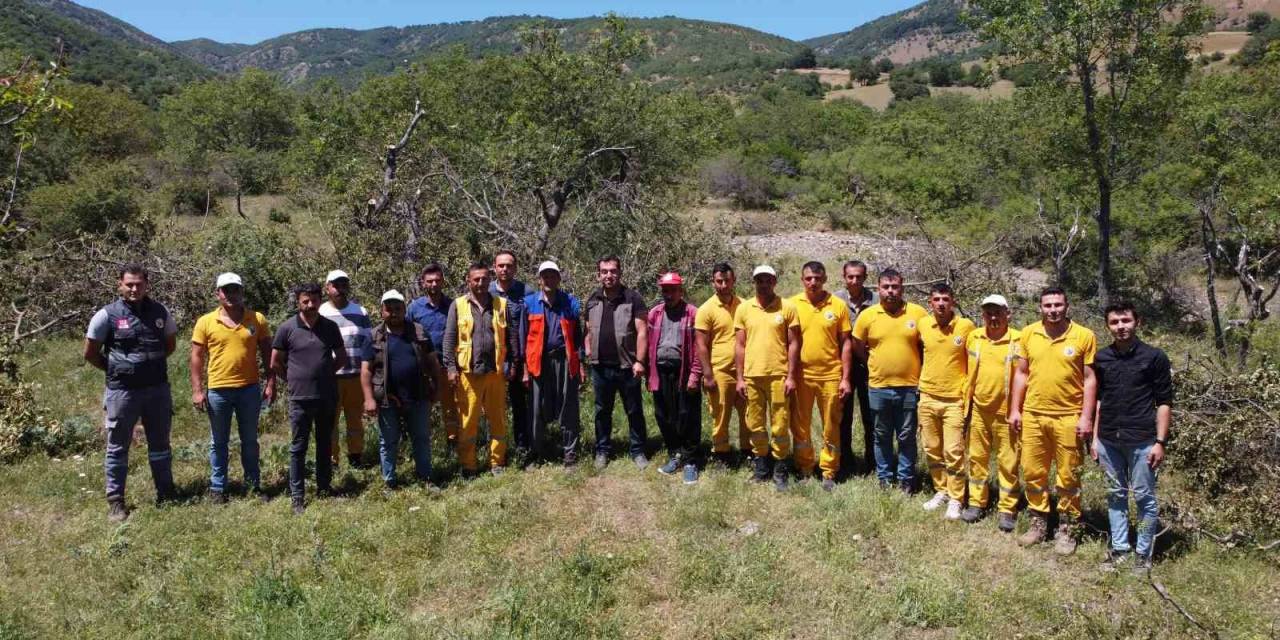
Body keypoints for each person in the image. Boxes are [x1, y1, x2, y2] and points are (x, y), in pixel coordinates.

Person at [84, 264, 178, 522]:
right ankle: (116, 501)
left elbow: (170, 345)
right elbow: (90, 353)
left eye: (139, 284)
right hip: (122, 392)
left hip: (157, 389)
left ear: (147, 284)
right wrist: (116, 369)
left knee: (160, 444)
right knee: (117, 447)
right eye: (129, 284)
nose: (134, 288)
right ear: (120, 285)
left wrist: (147, 367)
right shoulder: (106, 315)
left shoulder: (160, 311)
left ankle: (166, 493)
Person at [1008, 286, 1098, 555]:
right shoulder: (1029, 333)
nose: (1053, 310)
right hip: (1034, 414)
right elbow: (1021, 374)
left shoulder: (1084, 336)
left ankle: (1067, 528)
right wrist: (1015, 409)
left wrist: (1086, 417)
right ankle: (1039, 523)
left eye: (1058, 304)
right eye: (1048, 305)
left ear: (1067, 306)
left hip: (1069, 417)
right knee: (1034, 471)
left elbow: (1090, 379)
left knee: (1068, 474)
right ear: (1040, 307)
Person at [1092, 301, 1173, 573]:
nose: (1120, 327)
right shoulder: (1102, 358)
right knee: (1116, 495)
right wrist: (1094, 439)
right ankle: (1120, 549)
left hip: (1142, 440)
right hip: (1108, 440)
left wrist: (1160, 442)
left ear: (1137, 322)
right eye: (1114, 322)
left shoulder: (1154, 357)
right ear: (1108, 326)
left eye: (1125, 321)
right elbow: (1099, 401)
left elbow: (1164, 402)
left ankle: (1143, 554)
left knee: (1144, 498)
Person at [190, 272, 275, 503]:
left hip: (249, 389)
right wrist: (198, 390)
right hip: (218, 391)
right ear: (218, 293)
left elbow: (268, 352)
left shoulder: (256, 319)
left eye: (235, 289)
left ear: (242, 292)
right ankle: (218, 488)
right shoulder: (206, 322)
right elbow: (196, 357)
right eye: (226, 290)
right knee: (219, 442)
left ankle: (253, 485)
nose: (231, 294)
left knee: (250, 440)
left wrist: (271, 382)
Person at [272, 283, 349, 514]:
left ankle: (324, 488)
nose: (310, 304)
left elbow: (341, 358)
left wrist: (324, 375)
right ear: (298, 302)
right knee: (298, 447)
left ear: (319, 300)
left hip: (326, 396)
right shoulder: (287, 328)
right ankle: (297, 496)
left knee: (325, 444)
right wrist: (293, 378)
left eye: (314, 300)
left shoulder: (330, 327)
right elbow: (275, 361)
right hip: (299, 399)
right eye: (305, 300)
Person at [851, 268, 928, 492]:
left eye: (895, 287)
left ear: (902, 287)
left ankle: (906, 479)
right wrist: (871, 363)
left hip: (909, 386)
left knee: (906, 436)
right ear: (878, 288)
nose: (891, 291)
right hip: (878, 386)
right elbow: (857, 344)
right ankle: (884, 478)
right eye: (886, 287)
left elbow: (928, 344)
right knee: (881, 435)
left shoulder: (918, 313)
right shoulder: (868, 315)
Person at [443, 262, 520, 476]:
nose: (480, 283)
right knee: (468, 422)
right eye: (476, 279)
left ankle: (497, 462)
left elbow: (512, 337)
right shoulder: (457, 305)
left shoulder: (501, 304)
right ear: (468, 281)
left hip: (495, 373)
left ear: (490, 279)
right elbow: (449, 339)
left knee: (498, 419)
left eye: (485, 279)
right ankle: (468, 465)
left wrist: (513, 364)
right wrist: (450, 367)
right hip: (468, 373)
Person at [361, 290, 444, 489]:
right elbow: (365, 371)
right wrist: (369, 399)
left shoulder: (419, 332)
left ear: (404, 309)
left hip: (418, 395)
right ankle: (389, 481)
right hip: (387, 398)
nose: (394, 312)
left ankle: (426, 478)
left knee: (421, 438)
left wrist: (437, 387)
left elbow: (433, 363)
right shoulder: (373, 336)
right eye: (389, 309)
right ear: (381, 311)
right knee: (388, 441)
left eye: (398, 308)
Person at [734, 265, 801, 490]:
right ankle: (761, 466)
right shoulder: (744, 309)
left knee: (780, 424)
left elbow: (794, 344)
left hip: (779, 375)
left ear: (775, 281)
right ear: (754, 282)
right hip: (752, 376)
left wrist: (791, 376)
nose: (763, 284)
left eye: (768, 280)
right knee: (755, 423)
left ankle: (780, 468)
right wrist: (741, 378)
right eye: (759, 280)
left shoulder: (788, 307)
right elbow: (740, 345)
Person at [960, 294, 1023, 532]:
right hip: (979, 409)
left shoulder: (1019, 339)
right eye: (988, 312)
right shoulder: (974, 337)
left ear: (1008, 314)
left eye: (998, 312)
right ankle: (977, 502)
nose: (993, 317)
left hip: (1007, 413)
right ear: (983, 314)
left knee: (1008, 462)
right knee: (977, 458)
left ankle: (1008, 509)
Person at [789, 261, 853, 492]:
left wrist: (845, 378)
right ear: (802, 280)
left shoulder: (837, 305)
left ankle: (828, 470)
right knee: (800, 425)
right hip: (802, 376)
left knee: (831, 425)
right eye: (808, 278)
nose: (813, 282)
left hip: (830, 375)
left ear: (825, 279)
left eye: (817, 278)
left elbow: (846, 343)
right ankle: (805, 467)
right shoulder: (792, 304)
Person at [583, 255, 650, 469]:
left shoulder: (633, 298)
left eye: (613, 271)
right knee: (602, 410)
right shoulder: (593, 299)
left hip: (628, 366)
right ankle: (602, 450)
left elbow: (642, 332)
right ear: (598, 274)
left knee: (634, 410)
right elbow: (587, 329)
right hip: (600, 366)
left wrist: (640, 361)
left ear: (620, 273)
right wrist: (587, 350)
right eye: (604, 271)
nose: (609, 275)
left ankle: (638, 450)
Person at [917, 283, 976, 519]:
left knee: (953, 451)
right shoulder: (923, 324)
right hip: (927, 396)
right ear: (930, 303)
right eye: (936, 299)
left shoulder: (966, 326)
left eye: (945, 299)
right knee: (932, 448)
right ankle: (941, 490)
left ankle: (956, 498)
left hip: (954, 400)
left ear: (953, 301)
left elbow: (974, 361)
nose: (941, 303)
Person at [522, 261, 586, 466]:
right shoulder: (529, 303)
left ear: (559, 279)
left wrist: (581, 364)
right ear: (540, 280)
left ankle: (570, 454)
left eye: (553, 276)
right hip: (537, 362)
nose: (549, 280)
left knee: (568, 408)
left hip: (565, 361)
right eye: (545, 276)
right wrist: (524, 369)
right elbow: (523, 338)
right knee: (536, 409)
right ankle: (535, 454)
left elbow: (578, 337)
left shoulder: (571, 303)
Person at [647, 272, 703, 484]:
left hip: (684, 371)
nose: (668, 294)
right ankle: (675, 453)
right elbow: (649, 344)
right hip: (660, 371)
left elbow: (699, 348)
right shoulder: (655, 313)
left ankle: (690, 460)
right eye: (665, 290)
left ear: (681, 291)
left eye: (672, 290)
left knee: (687, 415)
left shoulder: (693, 314)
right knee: (664, 415)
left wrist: (695, 374)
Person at [695, 263, 750, 467]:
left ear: (734, 280)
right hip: (720, 371)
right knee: (721, 414)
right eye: (719, 281)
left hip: (744, 371)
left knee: (748, 415)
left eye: (727, 280)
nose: (724, 285)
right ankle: (721, 454)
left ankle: (748, 452)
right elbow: (701, 344)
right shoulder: (706, 309)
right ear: (713, 282)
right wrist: (708, 375)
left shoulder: (744, 305)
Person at [318, 269, 372, 468]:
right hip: (331, 377)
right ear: (327, 287)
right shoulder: (321, 312)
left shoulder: (360, 311)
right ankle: (332, 461)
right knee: (330, 422)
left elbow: (368, 342)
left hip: (356, 376)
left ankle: (356, 456)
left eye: (343, 285)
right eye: (335, 285)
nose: (340, 289)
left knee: (355, 420)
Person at [407, 263, 462, 450]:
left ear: (443, 282)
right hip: (423, 368)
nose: (434, 284)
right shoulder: (414, 308)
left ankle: (453, 443)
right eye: (429, 281)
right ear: (423, 283)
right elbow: (406, 334)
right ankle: (423, 445)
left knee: (451, 407)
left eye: (437, 280)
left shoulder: (454, 306)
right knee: (424, 408)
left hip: (448, 364)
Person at [834, 260, 879, 476]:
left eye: (859, 276)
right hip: (843, 366)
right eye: (850, 276)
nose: (854, 280)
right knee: (843, 416)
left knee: (871, 416)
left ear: (865, 277)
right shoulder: (835, 300)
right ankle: (845, 461)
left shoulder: (877, 301)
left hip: (870, 365)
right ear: (844, 277)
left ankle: (873, 461)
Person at [491, 250, 530, 464]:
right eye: (501, 265)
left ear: (515, 268)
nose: (505, 269)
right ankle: (496, 452)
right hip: (493, 359)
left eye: (509, 265)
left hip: (519, 359)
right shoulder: (485, 291)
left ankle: (522, 449)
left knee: (520, 406)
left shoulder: (527, 292)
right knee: (494, 407)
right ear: (494, 268)